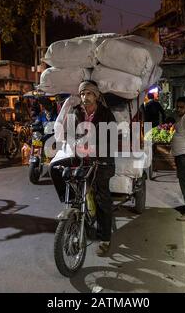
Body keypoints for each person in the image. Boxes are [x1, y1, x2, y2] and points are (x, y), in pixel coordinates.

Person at [50, 81, 116, 256]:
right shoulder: (75, 112)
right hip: (82, 160)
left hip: (102, 162)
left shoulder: (106, 114)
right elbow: (69, 135)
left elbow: (113, 138)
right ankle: (75, 214)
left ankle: (104, 239)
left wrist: (96, 147)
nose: (84, 97)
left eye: (88, 94)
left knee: (103, 199)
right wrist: (75, 145)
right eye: (82, 94)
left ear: (96, 95)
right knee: (56, 169)